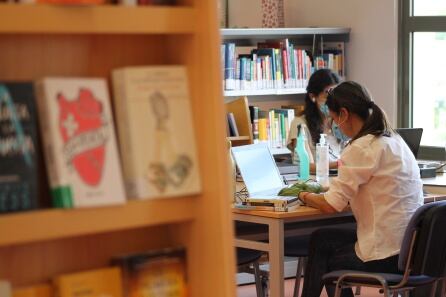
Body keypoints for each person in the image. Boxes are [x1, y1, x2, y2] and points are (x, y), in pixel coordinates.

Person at [296, 81, 424, 297]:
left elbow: (330, 205)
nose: (334, 124)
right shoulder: (394, 140)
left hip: (387, 256)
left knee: (326, 258)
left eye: (334, 118)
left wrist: (304, 195)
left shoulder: (361, 147)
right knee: (322, 238)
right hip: (412, 251)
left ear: (344, 114)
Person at [287, 69, 346, 171]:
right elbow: (306, 166)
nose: (333, 101)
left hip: (341, 179)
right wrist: (339, 163)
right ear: (313, 96)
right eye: (328, 95)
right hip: (315, 182)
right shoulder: (300, 124)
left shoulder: (340, 120)